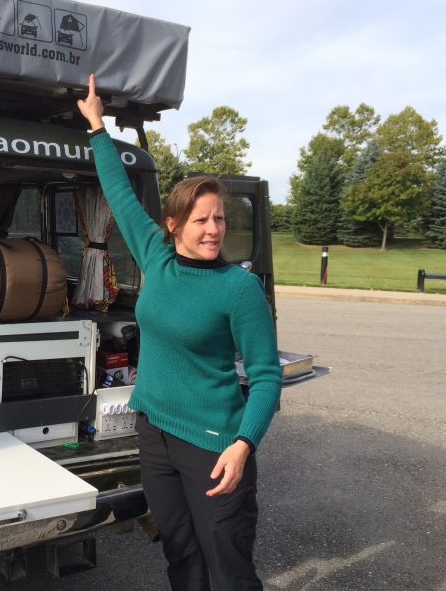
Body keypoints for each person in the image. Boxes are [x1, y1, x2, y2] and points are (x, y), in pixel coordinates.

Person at [77, 74, 281, 591]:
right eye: (201, 220)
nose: (214, 229)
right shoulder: (156, 256)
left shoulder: (239, 289)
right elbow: (119, 195)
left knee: (228, 567)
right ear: (173, 225)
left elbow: (265, 377)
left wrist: (243, 445)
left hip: (214, 444)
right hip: (155, 432)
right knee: (180, 554)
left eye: (218, 219)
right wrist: (98, 126)